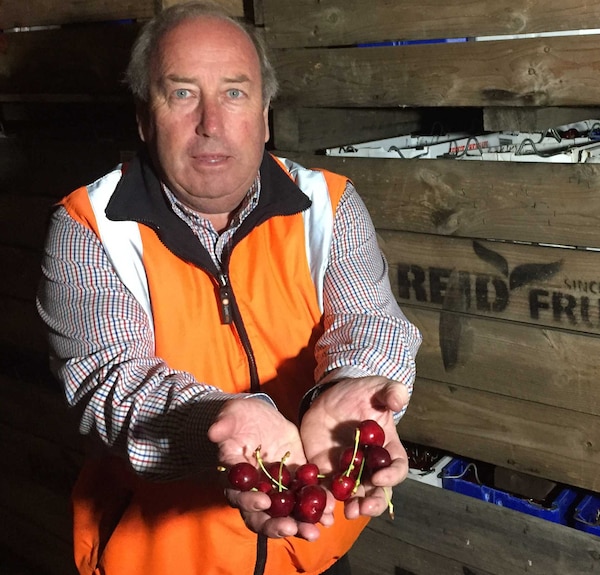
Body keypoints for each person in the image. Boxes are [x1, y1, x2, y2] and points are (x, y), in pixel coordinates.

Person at [35, 2, 422, 574]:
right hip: (159, 557)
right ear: (145, 118)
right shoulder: (89, 227)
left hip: (308, 545)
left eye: (235, 93)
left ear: (265, 115)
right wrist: (218, 422)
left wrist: (345, 388)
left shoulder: (329, 205)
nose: (211, 122)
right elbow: (110, 379)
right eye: (183, 93)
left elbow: (369, 321)